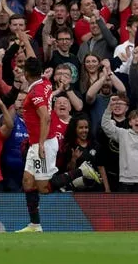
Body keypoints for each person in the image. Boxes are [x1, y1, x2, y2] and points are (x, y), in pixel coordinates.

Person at [16, 57, 100, 232]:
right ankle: (35, 225)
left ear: (25, 74)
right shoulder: (45, 82)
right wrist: (23, 40)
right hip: (36, 143)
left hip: (44, 142)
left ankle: (81, 170)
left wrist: (40, 144)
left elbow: (45, 118)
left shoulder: (35, 92)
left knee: (44, 188)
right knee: (27, 182)